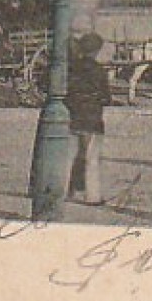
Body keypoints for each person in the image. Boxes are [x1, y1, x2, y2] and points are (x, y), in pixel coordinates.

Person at [67, 32, 111, 205]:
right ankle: (92, 196)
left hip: (72, 116)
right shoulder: (99, 71)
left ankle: (64, 191)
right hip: (92, 119)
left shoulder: (71, 67)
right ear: (97, 50)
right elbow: (106, 97)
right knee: (91, 158)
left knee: (70, 156)